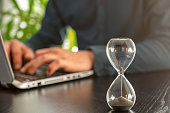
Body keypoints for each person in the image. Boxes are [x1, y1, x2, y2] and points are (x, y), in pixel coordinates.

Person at [4, 0, 170, 76]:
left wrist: (92, 58)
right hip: (85, 90)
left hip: (147, 86)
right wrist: (21, 49)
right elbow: (46, 38)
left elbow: (166, 47)